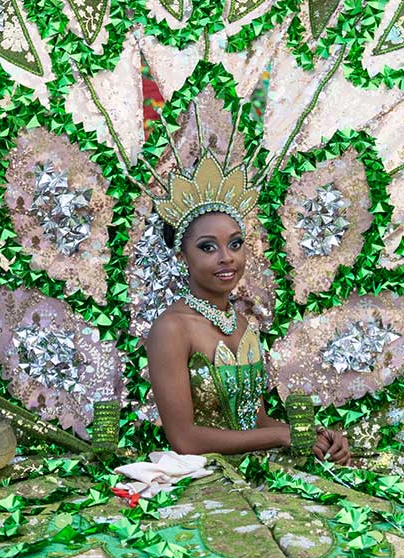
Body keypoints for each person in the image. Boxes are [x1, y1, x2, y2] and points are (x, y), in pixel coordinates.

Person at [144, 155, 351, 464]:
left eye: (235, 244)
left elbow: (256, 421)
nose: (226, 257)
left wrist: (313, 435)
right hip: (201, 476)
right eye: (208, 247)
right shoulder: (171, 328)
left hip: (254, 467)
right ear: (181, 257)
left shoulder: (241, 323)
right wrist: (282, 436)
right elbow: (184, 439)